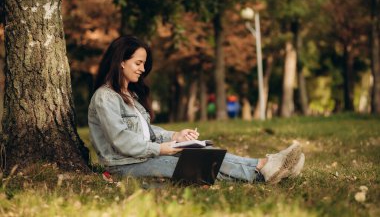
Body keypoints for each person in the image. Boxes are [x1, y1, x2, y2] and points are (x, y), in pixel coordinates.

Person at [88, 35, 305, 184]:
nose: (143, 69)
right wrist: (162, 149)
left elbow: (146, 132)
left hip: (142, 158)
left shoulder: (131, 96)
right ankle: (264, 172)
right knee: (192, 167)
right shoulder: (104, 98)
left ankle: (264, 164)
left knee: (200, 152)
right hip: (124, 166)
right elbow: (122, 140)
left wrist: (176, 136)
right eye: (138, 63)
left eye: (144, 64)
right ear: (121, 62)